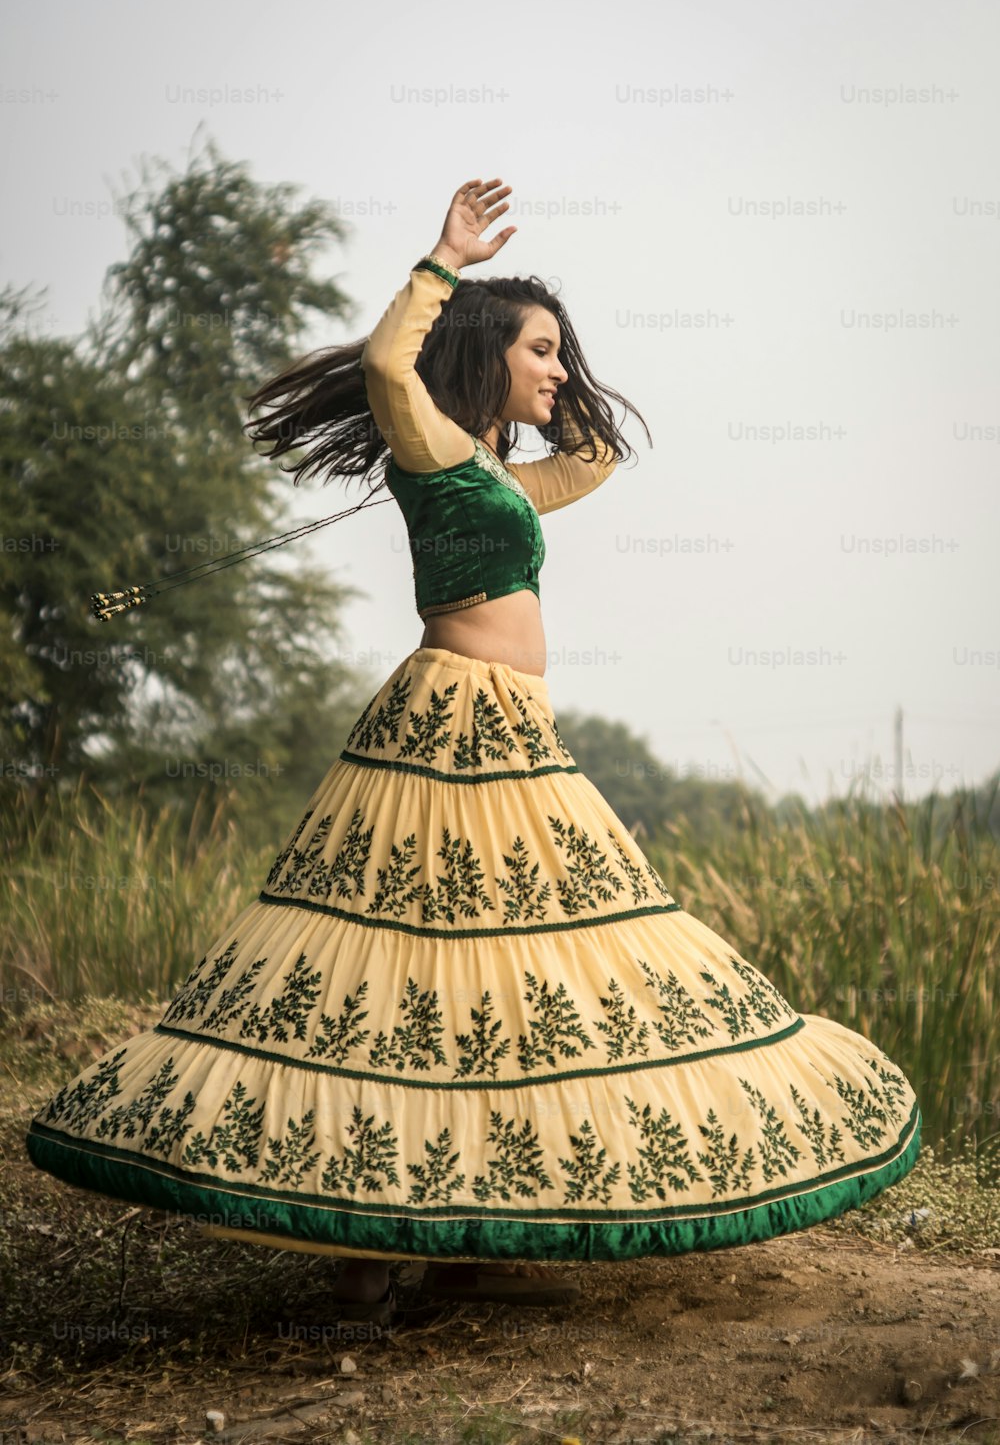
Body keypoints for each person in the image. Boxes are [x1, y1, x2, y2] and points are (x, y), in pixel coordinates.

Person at [26, 178, 922, 1326]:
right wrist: (445, 265)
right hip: (447, 726)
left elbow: (592, 460)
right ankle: (363, 1256)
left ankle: (456, 1240)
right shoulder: (433, 441)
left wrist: (551, 391)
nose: (558, 367)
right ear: (483, 356)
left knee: (504, 969)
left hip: (513, 728)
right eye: (540, 350)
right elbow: (391, 369)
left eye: (561, 352)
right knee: (410, 970)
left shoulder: (498, 472)